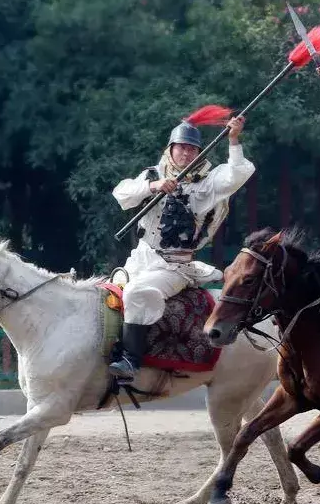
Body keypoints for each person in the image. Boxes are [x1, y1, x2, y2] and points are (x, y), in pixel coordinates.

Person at [108, 112, 254, 380]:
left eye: (191, 149)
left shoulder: (207, 184)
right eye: (181, 148)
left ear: (198, 153)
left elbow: (236, 174)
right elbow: (122, 194)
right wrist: (153, 186)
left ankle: (131, 361)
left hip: (176, 265)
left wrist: (233, 140)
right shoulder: (152, 174)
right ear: (170, 149)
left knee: (137, 293)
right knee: (106, 296)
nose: (186, 154)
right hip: (140, 258)